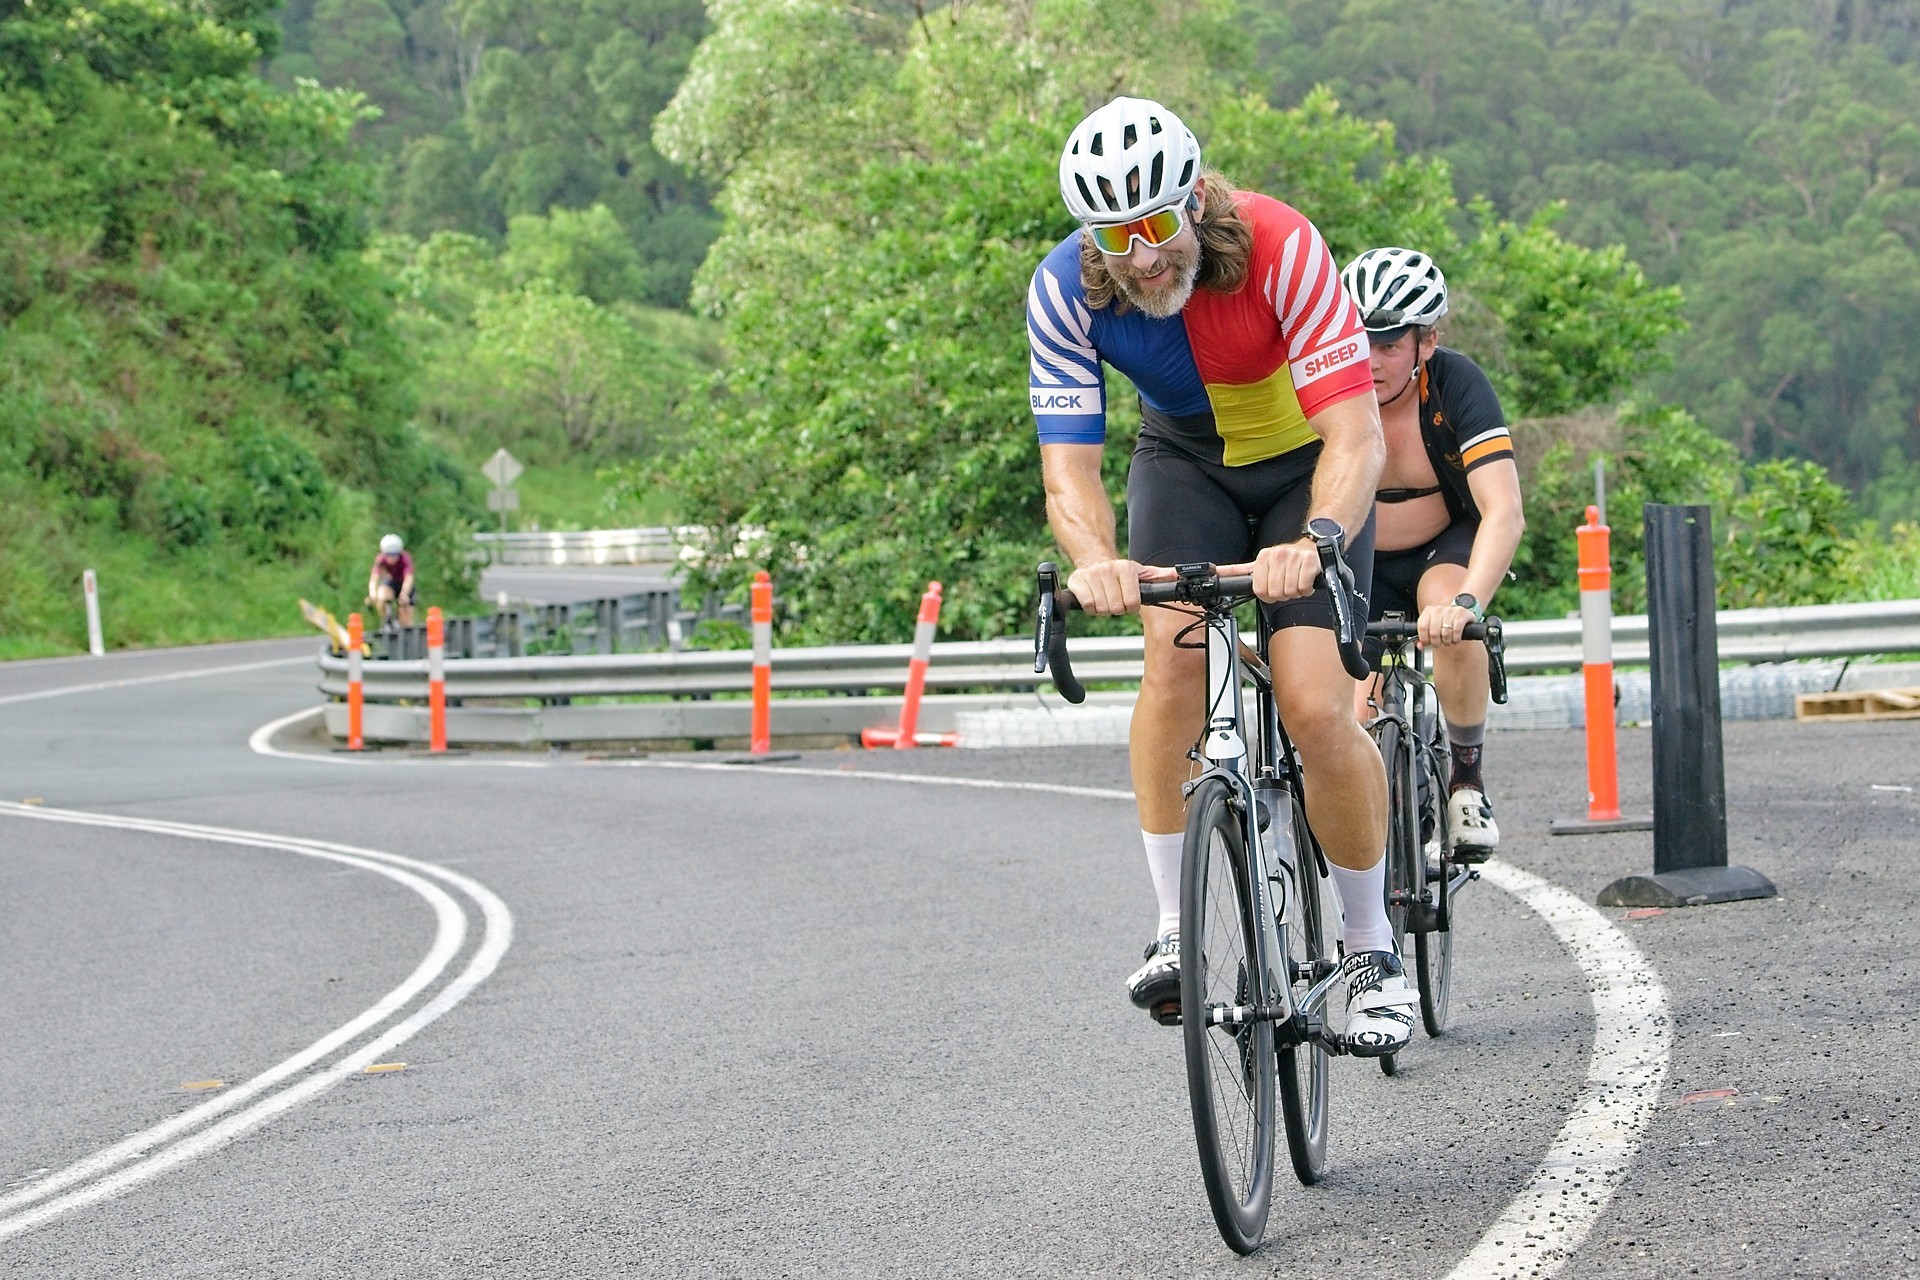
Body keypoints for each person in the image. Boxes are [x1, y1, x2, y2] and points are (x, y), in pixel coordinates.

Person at [1029, 96, 1416, 1055]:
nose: (1143, 256)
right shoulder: (1065, 289)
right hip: (1185, 464)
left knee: (1316, 705)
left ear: (1196, 199)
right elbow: (1069, 470)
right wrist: (1096, 563)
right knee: (1171, 659)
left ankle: (1372, 950)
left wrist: (1319, 537)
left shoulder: (1282, 245)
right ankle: (1173, 929)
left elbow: (1356, 434)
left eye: (1158, 223)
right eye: (1115, 235)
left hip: (1304, 467)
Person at [1340, 247, 1525, 860]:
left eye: (1389, 345)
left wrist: (1469, 603)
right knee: (1353, 715)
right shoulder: (1324, 384)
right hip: (1358, 557)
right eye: (1358, 340)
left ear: (1427, 343)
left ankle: (1466, 782)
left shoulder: (1456, 384)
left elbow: (1503, 509)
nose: (1370, 360)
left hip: (1440, 547)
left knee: (1452, 615)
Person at [367, 533, 416, 628]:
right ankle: (386, 620)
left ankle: (403, 627)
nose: (392, 558)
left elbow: (408, 578)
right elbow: (374, 578)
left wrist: (404, 593)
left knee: (406, 614)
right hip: (392, 582)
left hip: (404, 584)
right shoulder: (381, 559)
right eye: (388, 554)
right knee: (381, 595)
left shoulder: (404, 558)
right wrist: (372, 594)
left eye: (394, 554)